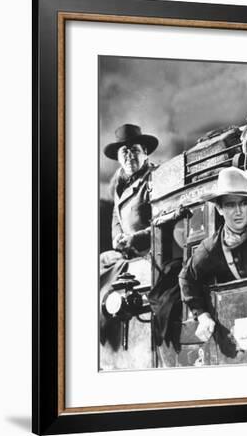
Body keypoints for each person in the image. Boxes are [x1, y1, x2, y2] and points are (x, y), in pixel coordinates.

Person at [179, 167, 247, 342]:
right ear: (220, 209)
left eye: (243, 203)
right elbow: (186, 278)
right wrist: (202, 315)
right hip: (238, 326)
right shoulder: (211, 248)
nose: (238, 211)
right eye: (230, 205)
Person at [99, 124, 158, 343]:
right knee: (98, 265)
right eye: (124, 152)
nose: (129, 155)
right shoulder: (119, 183)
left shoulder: (155, 179)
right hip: (126, 251)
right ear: (118, 158)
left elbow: (162, 223)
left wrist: (134, 238)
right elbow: (116, 215)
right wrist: (117, 238)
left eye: (134, 150)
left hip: (150, 252)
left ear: (145, 152)